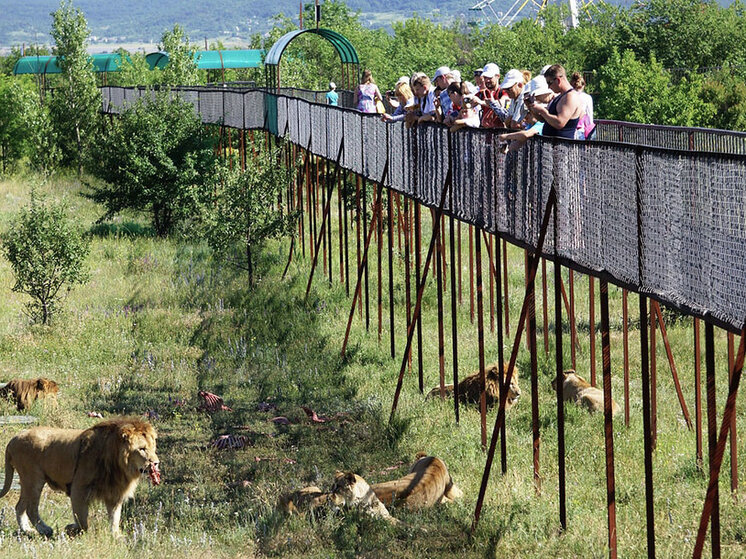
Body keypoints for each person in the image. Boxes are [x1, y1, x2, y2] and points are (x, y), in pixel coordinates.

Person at [525, 64, 583, 139]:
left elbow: (559, 123)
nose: (549, 87)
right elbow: (544, 119)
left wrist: (543, 111)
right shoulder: (559, 97)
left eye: (549, 83)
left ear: (558, 80)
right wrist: (531, 107)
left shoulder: (570, 97)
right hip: (552, 147)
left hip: (563, 147)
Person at [475, 62, 507, 129]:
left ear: (498, 76)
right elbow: (467, 105)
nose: (487, 80)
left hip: (500, 132)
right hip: (486, 133)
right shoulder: (482, 93)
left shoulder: (504, 91)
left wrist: (481, 102)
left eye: (490, 78)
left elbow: (502, 103)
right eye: (485, 78)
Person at [570, 71, 595, 139]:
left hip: (569, 130)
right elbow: (589, 115)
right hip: (581, 130)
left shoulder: (567, 96)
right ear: (583, 85)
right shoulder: (587, 98)